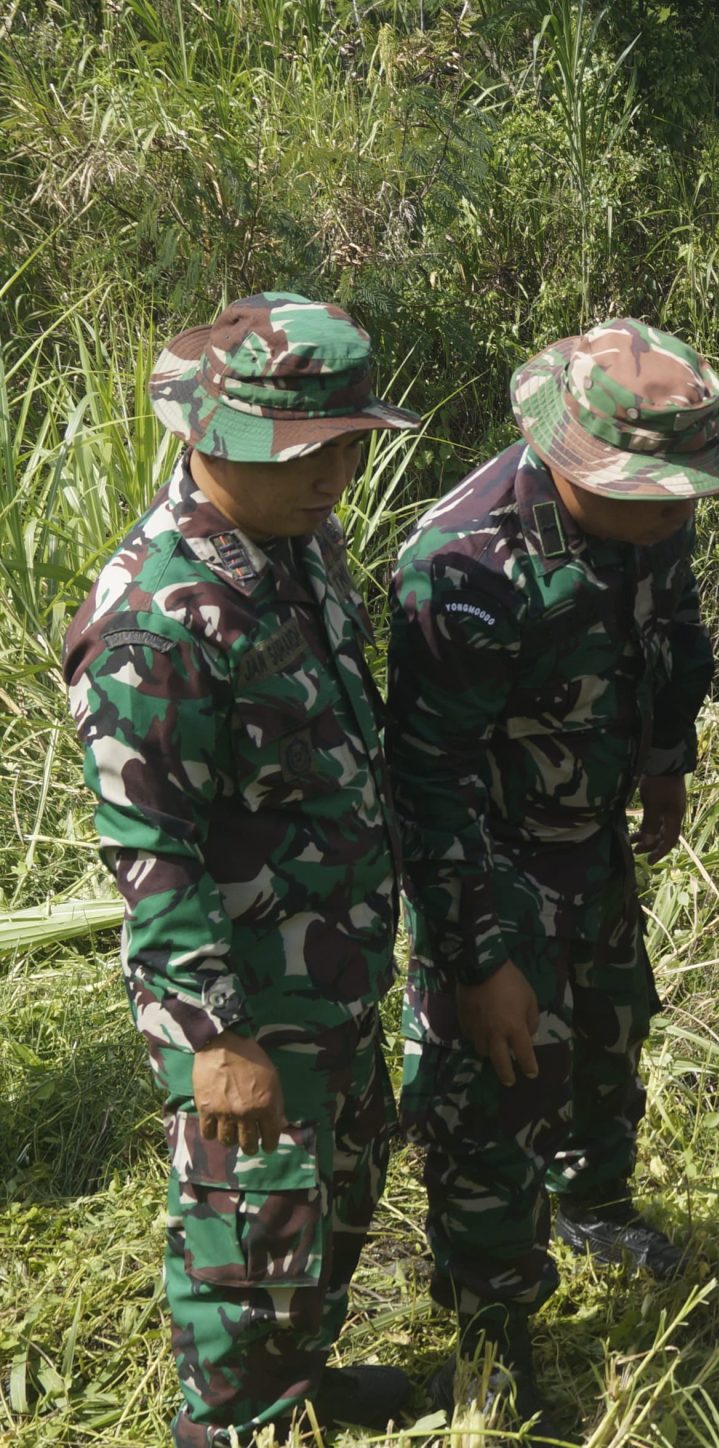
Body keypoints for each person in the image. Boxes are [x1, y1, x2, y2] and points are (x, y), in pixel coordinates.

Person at [62, 295, 421, 1447]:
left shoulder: (294, 546)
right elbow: (150, 853)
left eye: (349, 446)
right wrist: (214, 1040)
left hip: (335, 972)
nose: (335, 475)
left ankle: (298, 1382)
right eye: (307, 453)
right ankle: (231, 1424)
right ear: (206, 435)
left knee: (332, 1201)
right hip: (250, 997)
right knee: (246, 1236)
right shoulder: (157, 620)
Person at [386, 320, 719, 1427]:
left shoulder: (653, 519)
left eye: (687, 489)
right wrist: (476, 957)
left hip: (589, 839)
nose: (678, 513)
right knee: (492, 1090)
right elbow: (426, 781)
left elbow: (673, 639)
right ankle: (491, 1334)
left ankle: (595, 1206)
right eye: (653, 490)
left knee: (608, 1035)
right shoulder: (460, 565)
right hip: (490, 861)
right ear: (568, 461)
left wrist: (663, 766)